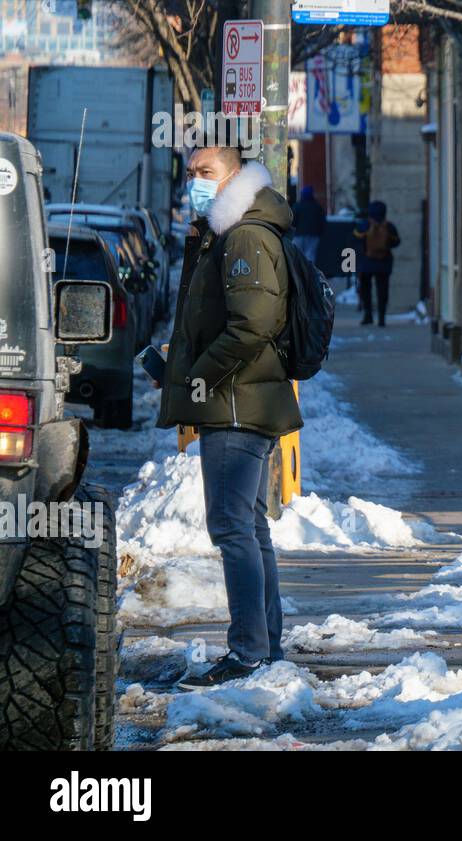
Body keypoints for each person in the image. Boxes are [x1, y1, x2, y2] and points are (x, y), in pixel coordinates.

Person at [156, 146, 303, 688]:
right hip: (240, 397)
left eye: (207, 172)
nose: (196, 181)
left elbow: (252, 325)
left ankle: (247, 653)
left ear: (235, 175)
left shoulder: (244, 235)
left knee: (231, 527)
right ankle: (264, 648)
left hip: (238, 402)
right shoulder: (228, 230)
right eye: (191, 172)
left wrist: (200, 375)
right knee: (249, 526)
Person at [353, 199, 400, 326]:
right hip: (384, 262)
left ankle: (368, 315)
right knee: (382, 290)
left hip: (367, 262)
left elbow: (356, 238)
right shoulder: (389, 226)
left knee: (365, 289)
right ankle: (382, 317)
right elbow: (396, 242)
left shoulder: (365, 225)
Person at [291, 184, 325, 264]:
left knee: (297, 256)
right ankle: (308, 274)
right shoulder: (317, 207)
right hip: (313, 235)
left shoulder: (297, 206)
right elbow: (322, 221)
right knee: (310, 256)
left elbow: (293, 221)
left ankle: (298, 274)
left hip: (299, 235)